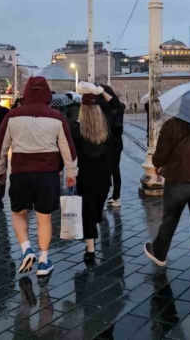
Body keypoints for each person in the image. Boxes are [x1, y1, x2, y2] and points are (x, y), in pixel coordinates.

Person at [0, 77, 78, 277]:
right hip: (47, 175)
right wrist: (71, 174)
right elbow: (69, 150)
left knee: (18, 213)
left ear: (26, 93)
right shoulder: (56, 117)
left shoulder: (12, 116)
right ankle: (43, 260)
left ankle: (26, 249)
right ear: (48, 94)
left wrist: (0, 172)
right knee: (44, 218)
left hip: (21, 174)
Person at [143, 100, 190, 291]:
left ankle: (159, 253)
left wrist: (161, 164)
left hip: (178, 181)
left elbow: (159, 157)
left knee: (170, 219)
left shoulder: (172, 125)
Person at [70, 89, 112, 262]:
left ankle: (90, 247)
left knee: (87, 211)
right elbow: (117, 106)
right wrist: (102, 91)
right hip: (103, 178)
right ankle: (91, 239)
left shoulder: (76, 130)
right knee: (94, 211)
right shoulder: (107, 130)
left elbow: (72, 155)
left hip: (85, 177)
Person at [98, 84, 124, 207]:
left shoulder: (105, 108)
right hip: (116, 144)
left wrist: (101, 92)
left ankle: (106, 198)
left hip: (107, 143)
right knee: (115, 170)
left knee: (106, 171)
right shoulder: (118, 107)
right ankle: (115, 197)